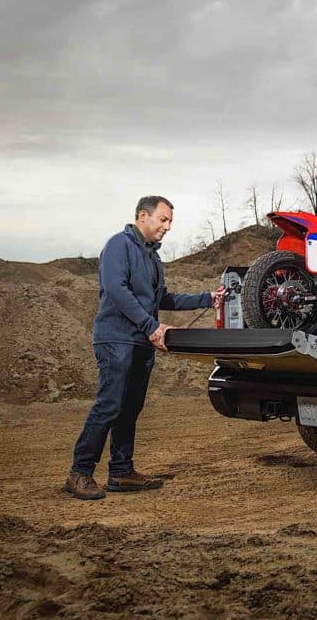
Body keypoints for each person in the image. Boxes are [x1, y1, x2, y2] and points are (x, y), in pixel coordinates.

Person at [65, 196, 226, 500]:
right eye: (163, 220)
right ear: (143, 216)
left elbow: (162, 300)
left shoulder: (153, 258)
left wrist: (207, 298)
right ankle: (80, 473)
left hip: (140, 342)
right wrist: (151, 326)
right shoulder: (119, 245)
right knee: (109, 405)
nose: (167, 227)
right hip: (116, 338)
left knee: (130, 409)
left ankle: (121, 472)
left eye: (170, 222)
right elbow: (116, 290)